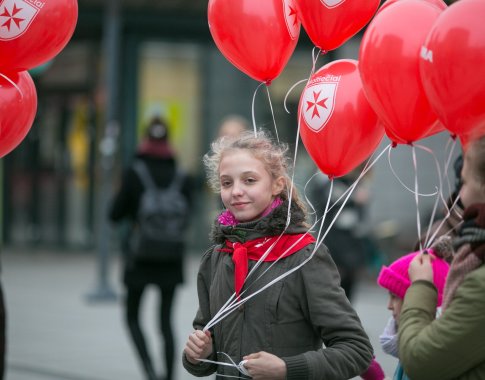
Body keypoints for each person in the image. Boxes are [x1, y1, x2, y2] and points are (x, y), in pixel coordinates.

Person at [182, 130, 373, 379]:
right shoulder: (217, 256)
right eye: (227, 183)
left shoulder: (304, 256)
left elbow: (357, 350)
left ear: (277, 185)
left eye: (249, 180)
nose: (236, 191)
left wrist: (287, 369)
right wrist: (199, 354)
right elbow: (207, 341)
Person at [109, 116, 192, 380]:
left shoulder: (134, 172)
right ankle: (168, 376)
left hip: (140, 257)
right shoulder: (182, 175)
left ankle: (149, 372)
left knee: (132, 316)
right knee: (165, 321)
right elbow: (188, 215)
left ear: (146, 138)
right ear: (168, 140)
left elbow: (113, 214)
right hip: (171, 257)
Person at [398, 135, 485, 380]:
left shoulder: (479, 283)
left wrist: (422, 285)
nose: (460, 194)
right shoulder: (472, 250)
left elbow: (420, 360)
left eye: (464, 182)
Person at [366, 242, 450, 380]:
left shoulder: (430, 357)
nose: (389, 306)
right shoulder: (416, 348)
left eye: (395, 297)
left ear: (418, 298)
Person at [309, 164, 375, 301]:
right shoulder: (324, 179)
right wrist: (353, 197)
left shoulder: (354, 180)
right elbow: (325, 199)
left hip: (353, 241)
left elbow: (361, 213)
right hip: (332, 240)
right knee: (333, 283)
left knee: (349, 283)